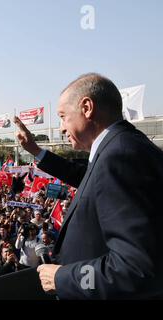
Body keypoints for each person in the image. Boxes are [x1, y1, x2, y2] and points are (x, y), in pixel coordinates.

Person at [15, 73, 163, 299]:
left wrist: (63, 278)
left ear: (86, 107)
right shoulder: (121, 147)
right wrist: (36, 151)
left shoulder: (119, 157)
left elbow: (135, 268)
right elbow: (87, 178)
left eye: (63, 116)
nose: (62, 128)